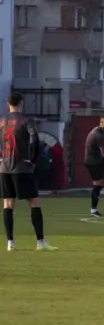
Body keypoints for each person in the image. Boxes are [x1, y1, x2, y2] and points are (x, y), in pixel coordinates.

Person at [1, 93, 57, 251]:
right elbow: (35, 139)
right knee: (33, 202)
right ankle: (40, 242)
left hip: (4, 168)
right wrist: (31, 159)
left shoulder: (2, 121)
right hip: (22, 167)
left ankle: (10, 243)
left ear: (8, 104)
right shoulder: (26, 120)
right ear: (21, 104)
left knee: (7, 204)